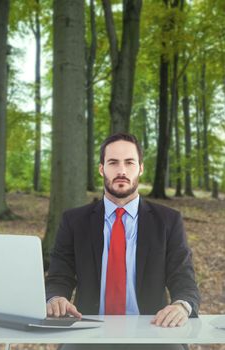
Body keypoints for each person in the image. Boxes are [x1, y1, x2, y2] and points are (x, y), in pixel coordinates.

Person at [45, 133, 200, 349]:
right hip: (88, 330)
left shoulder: (168, 221)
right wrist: (56, 298)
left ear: (140, 168)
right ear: (101, 169)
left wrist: (181, 307)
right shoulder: (74, 221)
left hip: (153, 329)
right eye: (113, 162)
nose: (121, 171)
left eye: (129, 162)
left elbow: (183, 278)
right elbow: (59, 276)